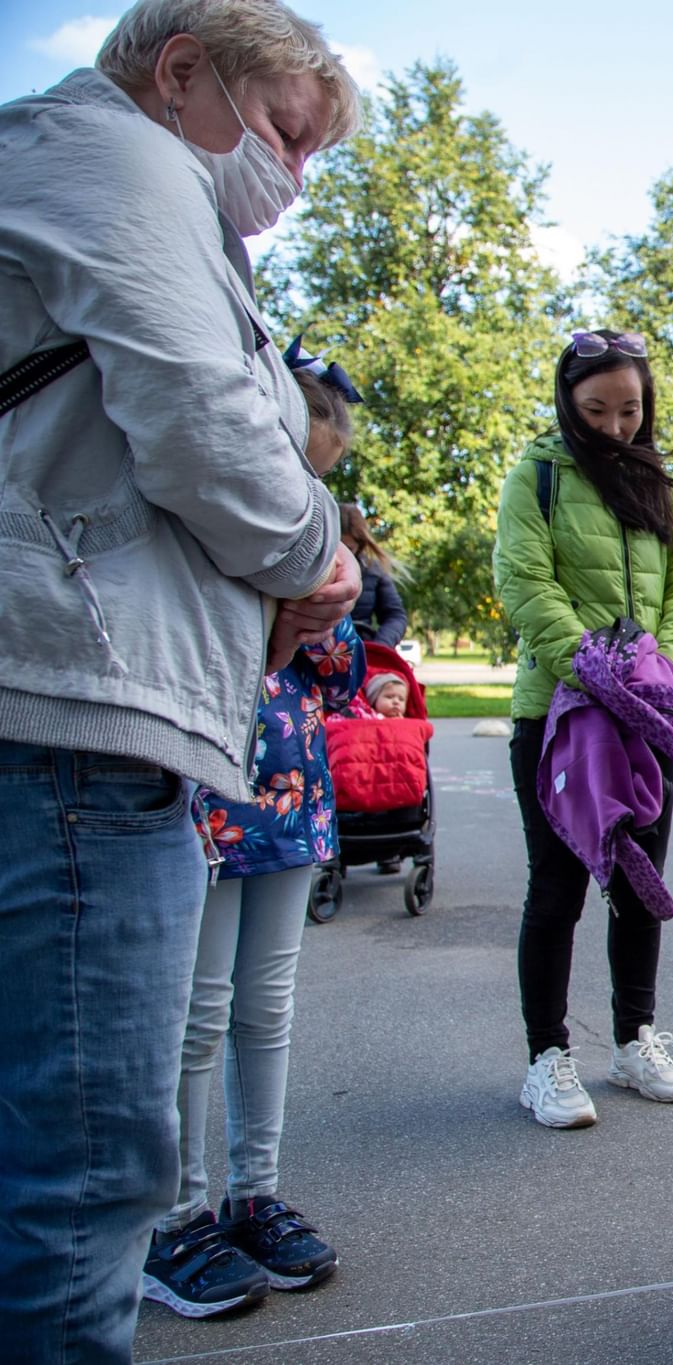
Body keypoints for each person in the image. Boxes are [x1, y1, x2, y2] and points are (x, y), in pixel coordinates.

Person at [0, 4, 361, 1356]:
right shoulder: (124, 162)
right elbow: (208, 430)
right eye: (283, 132)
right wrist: (314, 559)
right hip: (80, 731)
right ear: (182, 71)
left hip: (82, 712)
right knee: (85, 1182)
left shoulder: (112, 181)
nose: (292, 175)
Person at [143, 362, 364, 1321]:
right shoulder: (202, 511)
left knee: (264, 1008)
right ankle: (175, 1216)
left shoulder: (319, 536)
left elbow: (342, 669)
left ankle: (254, 1194)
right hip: (206, 791)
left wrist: (327, 606)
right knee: (198, 1012)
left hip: (291, 804)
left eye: (322, 478)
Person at [493, 330, 673, 1129]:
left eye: (631, 409)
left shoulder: (665, 487)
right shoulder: (537, 475)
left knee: (639, 887)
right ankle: (546, 1057)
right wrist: (590, 664)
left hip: (649, 716)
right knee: (556, 887)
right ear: (567, 400)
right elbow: (522, 580)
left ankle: (633, 1040)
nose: (616, 426)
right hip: (558, 714)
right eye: (597, 409)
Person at [341, 503, 407, 648]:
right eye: (337, 547)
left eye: (349, 549)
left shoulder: (374, 570)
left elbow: (395, 616)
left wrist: (379, 647)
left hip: (362, 649)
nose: (342, 555)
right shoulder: (305, 569)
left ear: (360, 545)